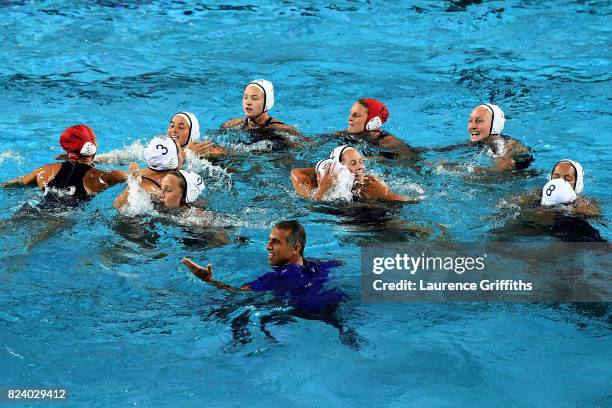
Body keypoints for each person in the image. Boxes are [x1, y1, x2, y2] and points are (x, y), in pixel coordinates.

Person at [183, 220, 344, 313]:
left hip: (303, 316)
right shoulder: (316, 266)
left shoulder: (279, 277)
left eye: (275, 242)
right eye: (269, 240)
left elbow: (238, 293)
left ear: (295, 249)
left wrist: (209, 280)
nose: (267, 247)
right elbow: (339, 263)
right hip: (331, 307)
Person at [1, 124, 127, 200]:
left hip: (34, 207)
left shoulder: (44, 171)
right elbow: (133, 176)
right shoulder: (102, 177)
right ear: (91, 146)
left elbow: (11, 184)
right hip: (62, 219)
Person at [290, 145, 416, 202]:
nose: (361, 167)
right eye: (354, 163)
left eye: (361, 162)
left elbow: (407, 201)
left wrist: (360, 189)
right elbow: (295, 172)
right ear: (338, 167)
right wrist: (324, 184)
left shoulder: (371, 185)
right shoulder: (312, 185)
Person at [113, 135, 184, 210]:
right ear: (173, 160)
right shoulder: (156, 192)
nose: (183, 154)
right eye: (180, 151)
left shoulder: (141, 173)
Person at [336, 98, 417, 158]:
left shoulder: (388, 143)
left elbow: (410, 158)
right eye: (351, 113)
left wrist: (373, 159)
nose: (349, 118)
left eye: (356, 115)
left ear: (372, 121)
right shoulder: (344, 134)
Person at [466, 103, 533, 171]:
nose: (472, 126)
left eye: (479, 121)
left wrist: (477, 171)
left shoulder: (507, 147)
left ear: (495, 125)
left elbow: (501, 170)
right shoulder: (481, 142)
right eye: (470, 121)